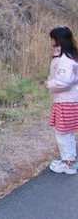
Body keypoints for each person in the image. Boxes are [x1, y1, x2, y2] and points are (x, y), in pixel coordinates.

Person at [46, 26, 78, 175]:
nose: (51, 41)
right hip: (64, 100)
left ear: (57, 40)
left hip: (66, 101)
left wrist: (49, 84)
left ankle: (69, 162)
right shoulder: (67, 57)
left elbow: (63, 82)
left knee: (63, 132)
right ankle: (67, 159)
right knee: (64, 131)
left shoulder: (65, 60)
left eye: (52, 38)